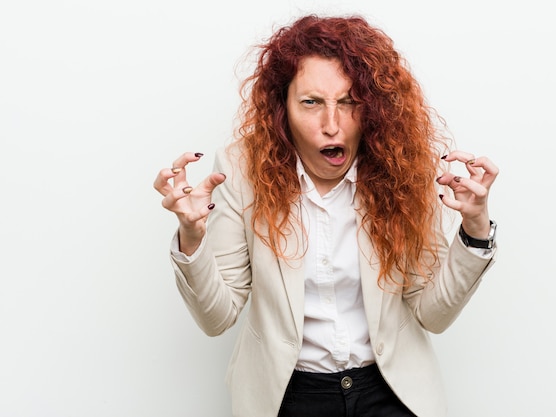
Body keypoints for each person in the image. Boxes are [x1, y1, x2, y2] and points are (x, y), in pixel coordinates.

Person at [154, 14, 498, 417]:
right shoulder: (241, 169)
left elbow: (431, 314)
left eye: (349, 102)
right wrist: (192, 238)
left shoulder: (401, 170)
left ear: (371, 108)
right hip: (289, 395)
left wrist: (474, 230)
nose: (332, 125)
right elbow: (217, 318)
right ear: (281, 108)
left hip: (390, 391)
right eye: (311, 102)